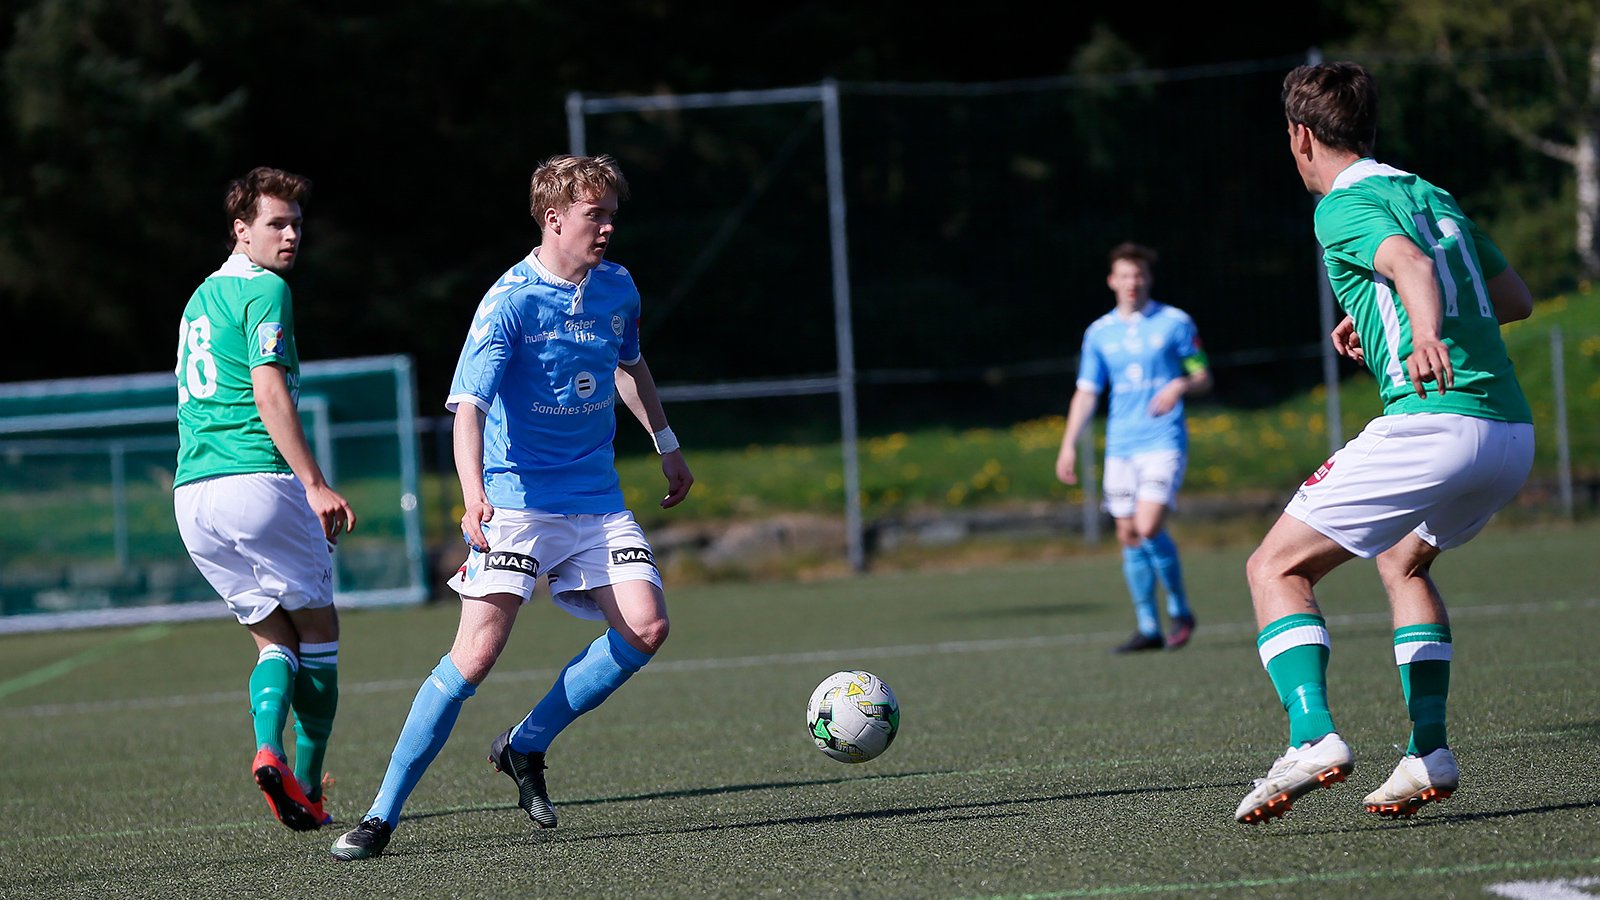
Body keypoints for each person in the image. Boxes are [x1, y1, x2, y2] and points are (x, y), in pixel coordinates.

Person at [331, 154, 693, 861]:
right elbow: (467, 407)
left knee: (647, 627)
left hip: (595, 499)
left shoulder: (617, 287)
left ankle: (524, 745)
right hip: (517, 502)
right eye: (595, 215)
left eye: (612, 214)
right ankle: (380, 817)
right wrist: (474, 497)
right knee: (474, 657)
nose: (608, 227)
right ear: (554, 219)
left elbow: (629, 365)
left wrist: (666, 443)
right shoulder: (510, 302)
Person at [1234, 61, 1535, 825]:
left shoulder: (1341, 204)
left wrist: (1422, 328)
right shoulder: (1431, 193)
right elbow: (1511, 298)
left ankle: (1312, 737)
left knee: (1274, 567)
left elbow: (1407, 261)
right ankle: (1428, 749)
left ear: (1301, 137)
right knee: (1404, 560)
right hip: (1509, 431)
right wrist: (1382, 312)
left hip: (1433, 423)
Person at [173, 166, 357, 831]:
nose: (290, 235)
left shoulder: (200, 297)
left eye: (296, 224)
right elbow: (268, 388)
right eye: (276, 223)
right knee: (320, 631)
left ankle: (268, 750)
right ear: (241, 230)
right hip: (257, 481)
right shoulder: (266, 288)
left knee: (273, 638)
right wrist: (314, 482)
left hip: (194, 498)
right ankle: (309, 786)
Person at [1055, 242, 1211, 653]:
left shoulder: (1175, 322)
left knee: (1147, 526)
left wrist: (1180, 384)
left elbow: (1202, 376)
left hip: (1163, 440)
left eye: (1138, 274)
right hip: (1121, 445)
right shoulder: (1099, 333)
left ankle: (1180, 610)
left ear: (1149, 278)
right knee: (1127, 534)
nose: (1132, 282)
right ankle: (1148, 626)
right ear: (1112, 280)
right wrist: (1068, 444)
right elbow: (1087, 392)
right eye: (1124, 275)